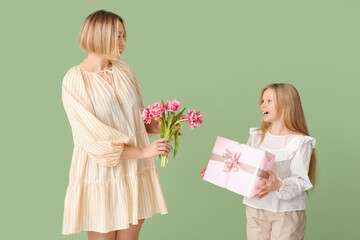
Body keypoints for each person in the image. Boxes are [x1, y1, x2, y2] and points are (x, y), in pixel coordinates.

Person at [61, 10, 174, 240]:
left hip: (133, 171)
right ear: (100, 35)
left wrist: (160, 126)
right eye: (117, 36)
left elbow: (136, 121)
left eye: (124, 36)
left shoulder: (124, 70)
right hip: (101, 174)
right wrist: (144, 151)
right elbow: (93, 139)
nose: (123, 43)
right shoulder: (75, 80)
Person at [201, 83, 317, 240]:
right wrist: (217, 169)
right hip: (255, 209)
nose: (262, 105)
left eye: (269, 100)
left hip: (285, 213)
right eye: (262, 100)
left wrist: (278, 185)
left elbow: (301, 180)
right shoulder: (256, 136)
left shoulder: (300, 142)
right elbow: (244, 168)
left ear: (285, 104)